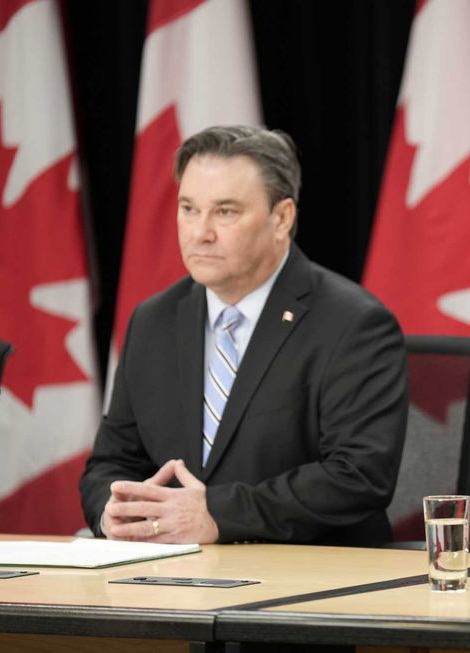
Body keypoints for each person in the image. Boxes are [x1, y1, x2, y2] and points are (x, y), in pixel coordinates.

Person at [80, 125, 408, 546]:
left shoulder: (354, 324)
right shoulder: (153, 321)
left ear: (282, 218)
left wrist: (215, 514)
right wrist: (115, 513)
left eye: (226, 212)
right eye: (188, 208)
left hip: (311, 582)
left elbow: (358, 475)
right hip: (171, 581)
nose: (200, 232)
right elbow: (111, 462)